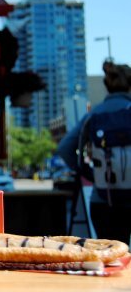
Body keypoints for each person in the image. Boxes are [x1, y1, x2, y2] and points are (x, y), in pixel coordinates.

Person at [57, 60, 131, 243]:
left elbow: (65, 148)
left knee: (108, 255)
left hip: (102, 199)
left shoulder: (94, 114)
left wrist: (89, 174)